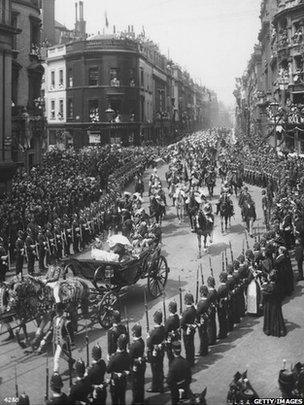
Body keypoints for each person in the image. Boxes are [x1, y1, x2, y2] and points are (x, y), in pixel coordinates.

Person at [107, 334, 131, 405]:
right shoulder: (127, 354)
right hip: (123, 379)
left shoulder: (114, 357)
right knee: (122, 398)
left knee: (115, 400)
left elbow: (108, 370)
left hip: (115, 380)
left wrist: (109, 360)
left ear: (118, 344)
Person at [262, 270, 287, 337]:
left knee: (270, 316)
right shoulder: (277, 285)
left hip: (270, 304)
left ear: (270, 278)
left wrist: (264, 284)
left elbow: (264, 294)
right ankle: (280, 329)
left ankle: (269, 329)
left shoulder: (269, 287)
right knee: (277, 316)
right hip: (277, 303)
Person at [167, 341, 192, 405]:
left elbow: (169, 380)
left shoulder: (173, 365)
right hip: (185, 388)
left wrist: (174, 387)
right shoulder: (186, 362)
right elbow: (189, 378)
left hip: (175, 390)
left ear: (173, 350)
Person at [52, 302, 74, 374]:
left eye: (58, 310)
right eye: (56, 310)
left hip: (63, 342)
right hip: (56, 341)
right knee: (61, 355)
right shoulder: (54, 319)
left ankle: (56, 373)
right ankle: (70, 360)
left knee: (56, 358)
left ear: (62, 310)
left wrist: (72, 342)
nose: (57, 312)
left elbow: (71, 332)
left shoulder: (66, 321)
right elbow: (53, 330)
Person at [146, 310, 165, 393]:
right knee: (160, 368)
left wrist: (148, 336)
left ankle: (155, 386)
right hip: (161, 352)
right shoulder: (162, 328)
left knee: (155, 370)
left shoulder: (153, 332)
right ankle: (161, 386)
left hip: (155, 353)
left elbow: (149, 344)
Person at [129, 323, 146, 405]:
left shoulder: (134, 345)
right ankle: (141, 399)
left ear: (135, 333)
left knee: (135, 385)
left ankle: (136, 400)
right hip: (141, 365)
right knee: (141, 383)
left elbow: (130, 358)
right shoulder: (141, 341)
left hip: (135, 366)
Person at [180, 293, 197, 367]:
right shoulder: (193, 309)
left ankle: (189, 362)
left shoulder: (186, 312)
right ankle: (192, 360)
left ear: (186, 301)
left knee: (187, 347)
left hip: (187, 331)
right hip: (192, 329)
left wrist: (181, 316)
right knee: (191, 345)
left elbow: (181, 323)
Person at [196, 285, 209, 356]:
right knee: (205, 334)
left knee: (202, 335)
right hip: (205, 318)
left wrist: (196, 307)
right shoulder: (207, 300)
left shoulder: (201, 303)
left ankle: (203, 351)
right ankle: (205, 349)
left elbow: (197, 312)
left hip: (201, 320)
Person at [217, 272, 229, 339]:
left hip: (221, 305)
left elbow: (218, 297)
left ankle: (222, 333)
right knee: (224, 318)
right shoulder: (226, 285)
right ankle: (225, 331)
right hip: (225, 304)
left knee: (221, 320)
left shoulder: (221, 288)